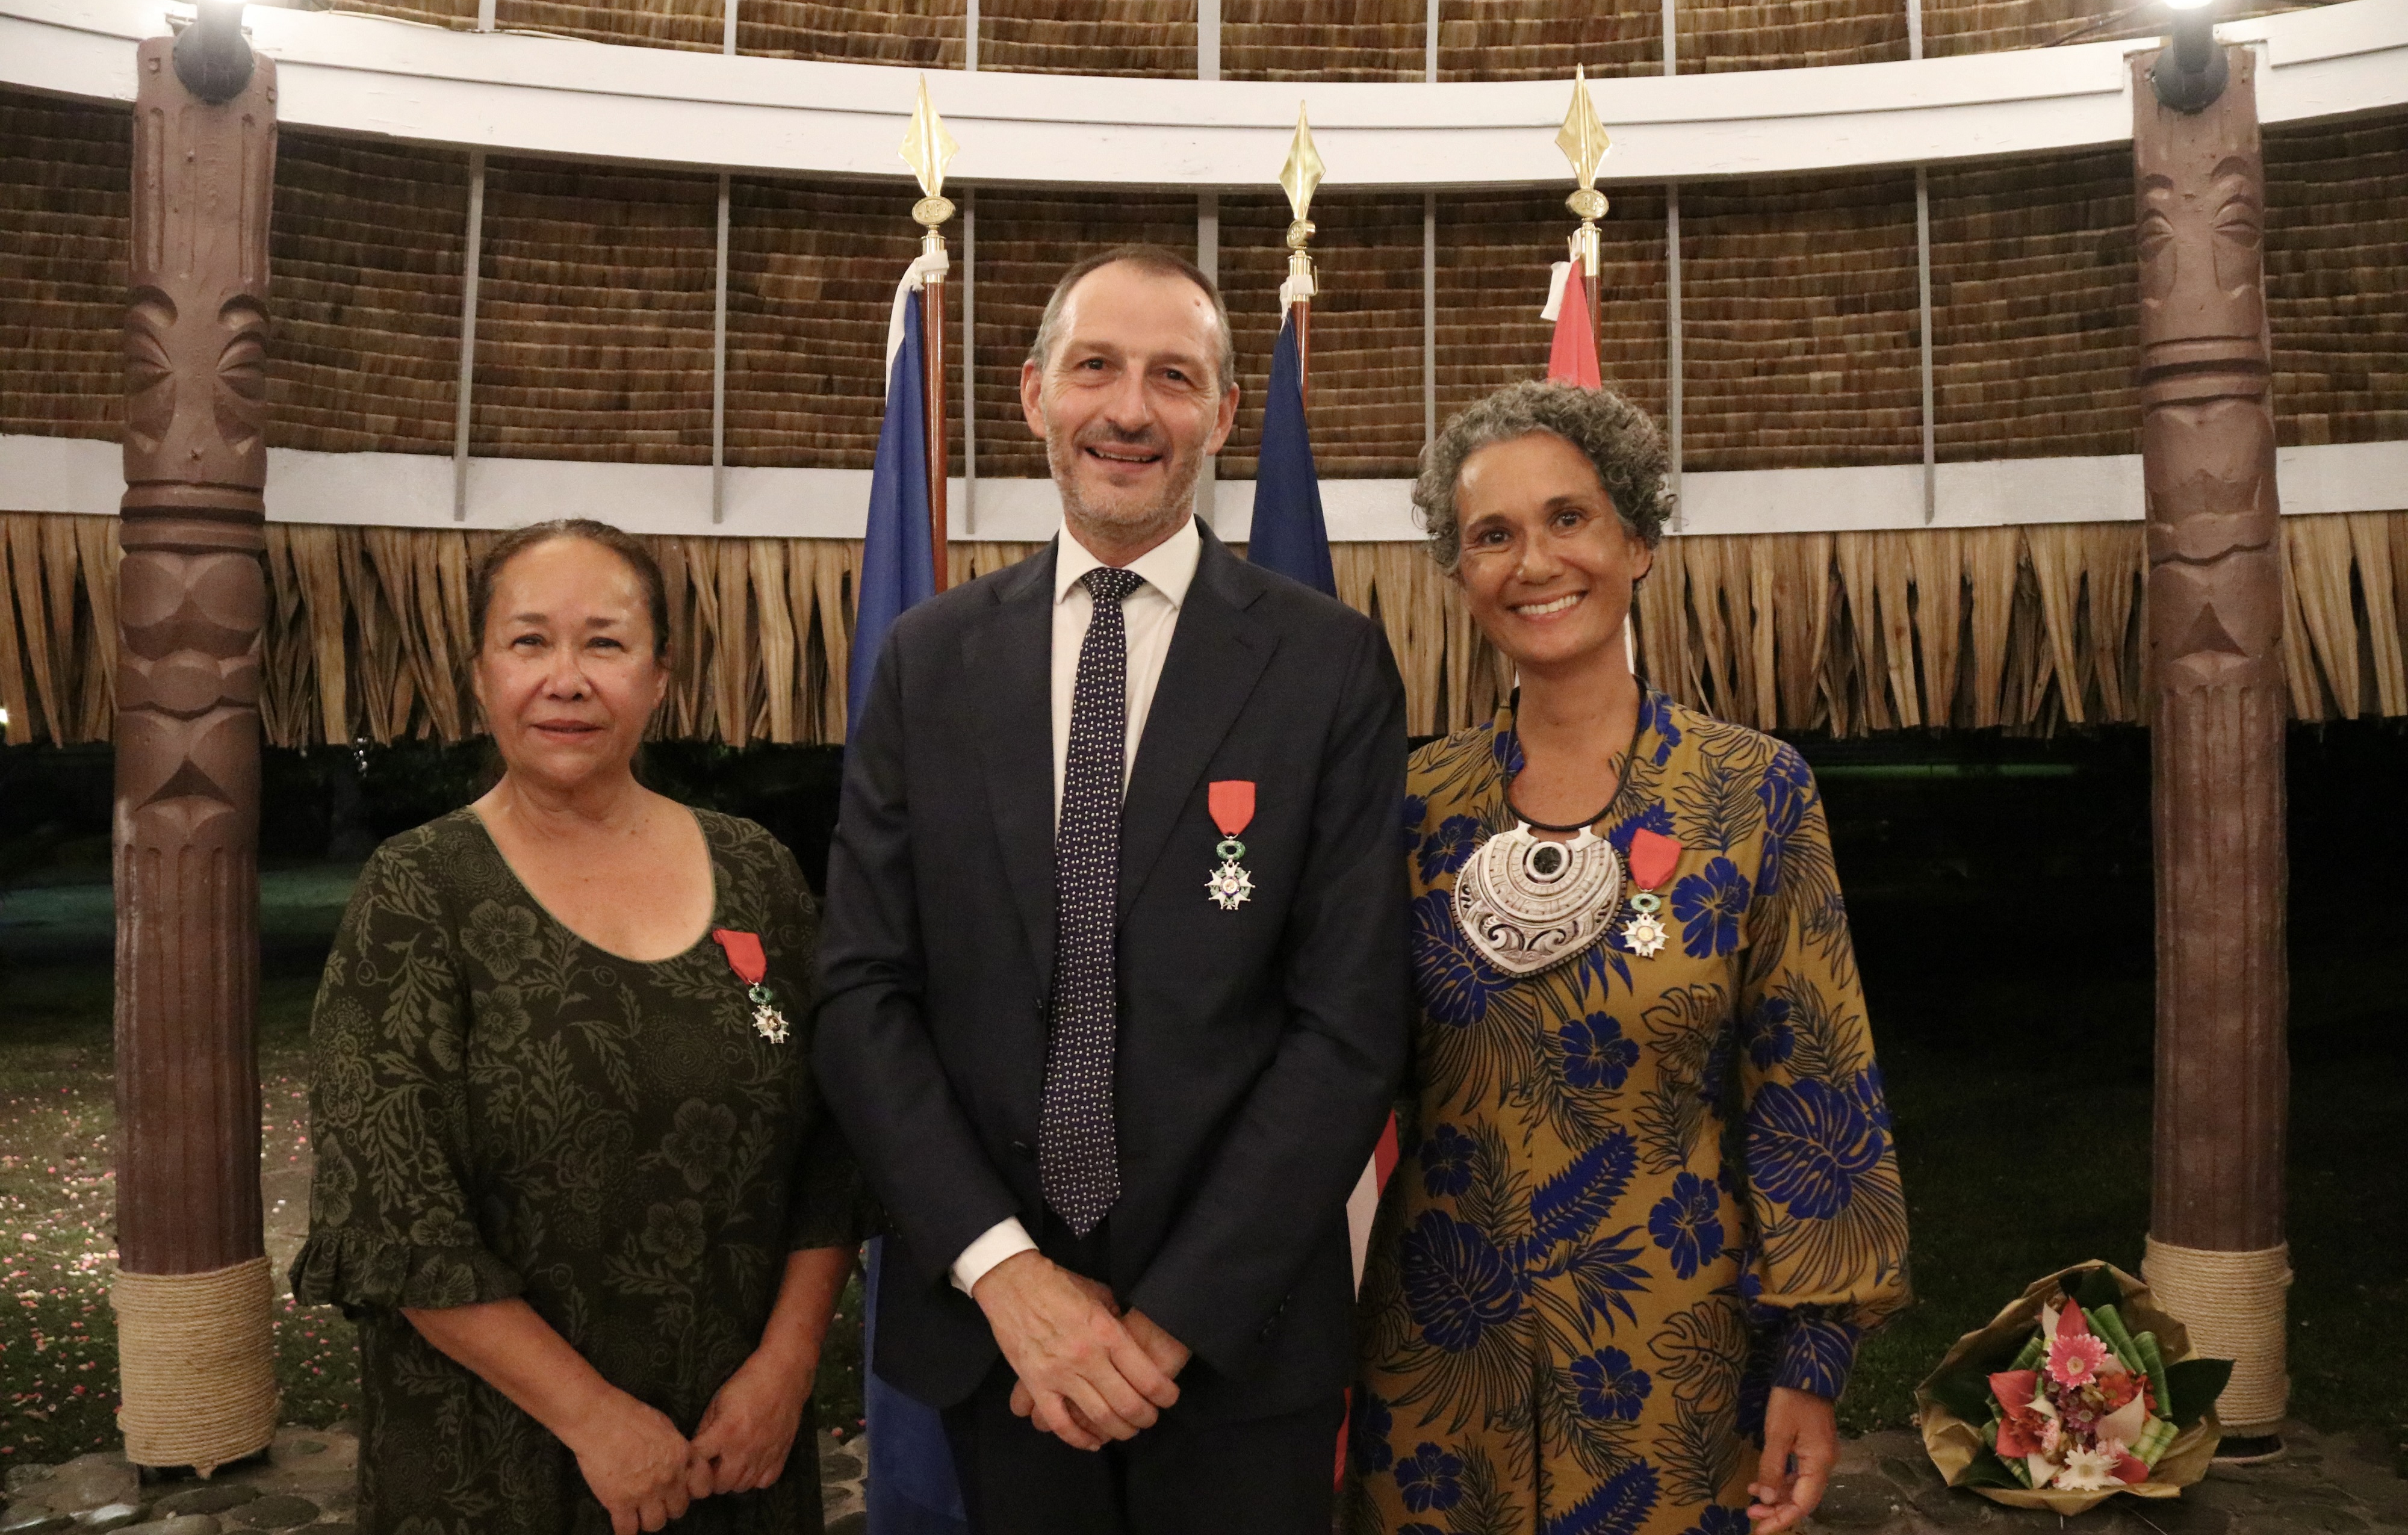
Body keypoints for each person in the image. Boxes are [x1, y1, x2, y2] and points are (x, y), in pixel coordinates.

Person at [813, 244, 1410, 1535]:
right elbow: (861, 994)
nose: (1129, 410)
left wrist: (1165, 1322)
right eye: (1095, 367)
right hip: (995, 1343)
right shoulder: (928, 663)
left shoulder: (1329, 667)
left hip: (1237, 1343)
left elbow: (1348, 1022)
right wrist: (1009, 1276)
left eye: (1171, 377)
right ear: (1032, 394)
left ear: (1221, 416)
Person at [1347, 383, 1911, 1535]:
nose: (1534, 560)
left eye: (1570, 519)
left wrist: (1811, 1355)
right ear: (1459, 572)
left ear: (1638, 540)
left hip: (1676, 1370)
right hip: (1441, 1370)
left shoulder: (1753, 790)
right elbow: (1328, 1064)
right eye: (1492, 535)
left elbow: (1815, 1083)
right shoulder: (1408, 806)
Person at [293, 519, 861, 1535]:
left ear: (660, 676)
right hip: (495, 1463)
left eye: (604, 642)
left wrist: (789, 1365)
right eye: (529, 642)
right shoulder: (420, 893)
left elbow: (834, 1142)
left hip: (738, 1449)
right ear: (479, 674)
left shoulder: (760, 874)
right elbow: (397, 1216)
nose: (567, 678)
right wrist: (595, 1419)